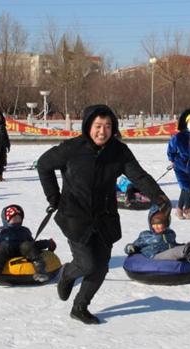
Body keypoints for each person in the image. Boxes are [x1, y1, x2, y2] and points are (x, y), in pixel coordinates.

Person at [37, 104, 171, 324]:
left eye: (108, 126)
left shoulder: (118, 152)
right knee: (86, 264)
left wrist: (159, 197)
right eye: (98, 126)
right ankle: (68, 274)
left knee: (101, 267)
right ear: (88, 126)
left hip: (104, 217)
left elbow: (139, 177)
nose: (102, 131)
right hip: (75, 217)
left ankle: (80, 306)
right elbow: (43, 165)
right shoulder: (71, 148)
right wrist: (54, 197)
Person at [0, 204, 56, 285]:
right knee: (5, 246)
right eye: (13, 218)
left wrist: (47, 243)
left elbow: (33, 244)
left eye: (19, 218)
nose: (17, 220)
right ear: (6, 220)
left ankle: (40, 270)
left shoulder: (24, 231)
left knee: (27, 245)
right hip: (7, 251)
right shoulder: (1, 232)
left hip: (22, 251)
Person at [124, 205, 190, 263]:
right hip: (155, 256)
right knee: (173, 252)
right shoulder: (146, 235)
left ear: (166, 224)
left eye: (159, 224)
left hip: (170, 252)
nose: (156, 227)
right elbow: (135, 245)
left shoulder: (170, 233)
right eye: (154, 224)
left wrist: (183, 245)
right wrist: (130, 248)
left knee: (179, 248)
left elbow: (173, 244)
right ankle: (189, 251)